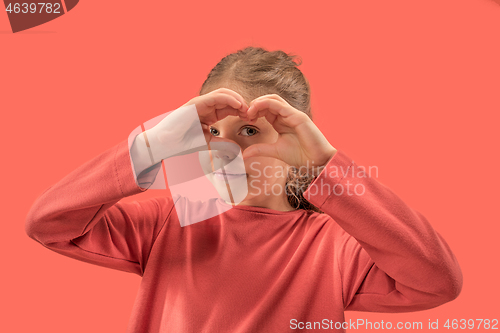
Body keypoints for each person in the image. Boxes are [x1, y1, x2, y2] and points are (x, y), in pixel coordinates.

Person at [25, 46, 463, 333]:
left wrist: (324, 167)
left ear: (296, 139)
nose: (227, 147)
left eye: (250, 130)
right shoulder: (165, 223)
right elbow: (48, 223)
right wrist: (150, 145)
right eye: (211, 130)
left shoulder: (335, 247)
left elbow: (437, 282)